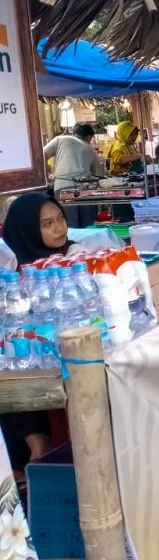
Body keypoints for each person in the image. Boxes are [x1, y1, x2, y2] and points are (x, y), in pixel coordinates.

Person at [0, 194, 79, 473]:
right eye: (47, 224)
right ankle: (36, 454)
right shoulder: (9, 270)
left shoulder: (74, 258)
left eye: (60, 219)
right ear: (27, 230)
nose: (59, 228)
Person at [44, 123, 105, 227]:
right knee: (87, 226)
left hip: (63, 188)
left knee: (69, 226)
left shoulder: (60, 140)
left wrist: (46, 176)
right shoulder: (91, 150)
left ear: (74, 133)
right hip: (85, 190)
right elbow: (98, 177)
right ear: (89, 137)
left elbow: (41, 155)